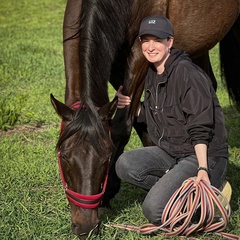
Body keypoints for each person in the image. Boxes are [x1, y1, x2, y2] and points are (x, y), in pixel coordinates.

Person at [115, 15, 229, 224]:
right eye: (146, 40)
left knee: (154, 210)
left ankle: (210, 192)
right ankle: (182, 190)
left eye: (157, 40)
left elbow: (200, 126)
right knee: (125, 164)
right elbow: (154, 114)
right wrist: (128, 105)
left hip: (202, 155)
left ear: (170, 42)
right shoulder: (153, 72)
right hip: (172, 151)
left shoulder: (187, 74)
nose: (151, 47)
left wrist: (203, 168)